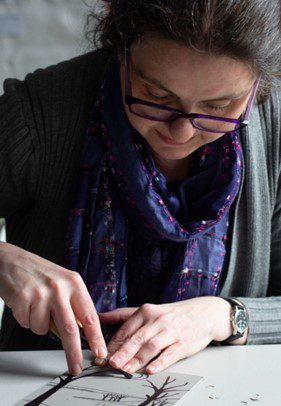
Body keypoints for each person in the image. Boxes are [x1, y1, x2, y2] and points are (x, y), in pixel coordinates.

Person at [0, 0, 280, 378]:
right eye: (157, 97)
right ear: (121, 48)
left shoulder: (273, 123)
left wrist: (227, 316)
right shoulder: (39, 113)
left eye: (219, 106)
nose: (180, 133)